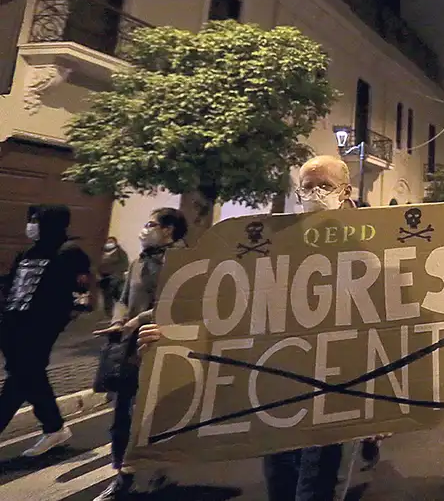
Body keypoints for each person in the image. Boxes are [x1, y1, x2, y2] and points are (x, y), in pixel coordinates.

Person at [135, 155, 374, 501]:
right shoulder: (276, 244)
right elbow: (240, 312)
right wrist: (173, 339)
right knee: (281, 485)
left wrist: (388, 409)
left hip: (340, 396)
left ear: (346, 191)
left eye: (325, 186)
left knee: (317, 490)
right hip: (280, 393)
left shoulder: (377, 244)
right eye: (308, 187)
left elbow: (394, 319)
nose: (315, 194)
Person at [92, 208, 188, 501]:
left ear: (169, 230)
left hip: (162, 343)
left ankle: (159, 467)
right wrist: (117, 322)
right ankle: (122, 474)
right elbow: (123, 299)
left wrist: (139, 320)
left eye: (151, 224)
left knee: (157, 412)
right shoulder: (137, 262)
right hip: (129, 346)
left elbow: (176, 301)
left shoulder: (182, 260)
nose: (144, 229)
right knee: (122, 413)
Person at [0, 205, 90, 455]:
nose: (31, 225)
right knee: (26, 376)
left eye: (36, 220)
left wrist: (62, 319)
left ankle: (54, 428)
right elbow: (13, 283)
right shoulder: (28, 252)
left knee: (22, 374)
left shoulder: (70, 252)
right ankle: (54, 427)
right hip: (12, 323)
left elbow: (80, 292)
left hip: (40, 325)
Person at [98, 237, 129, 317]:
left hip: (117, 279)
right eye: (108, 241)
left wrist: (115, 272)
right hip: (105, 280)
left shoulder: (120, 252)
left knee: (120, 299)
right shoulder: (100, 253)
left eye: (111, 241)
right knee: (107, 299)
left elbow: (125, 264)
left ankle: (120, 316)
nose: (109, 243)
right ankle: (108, 316)